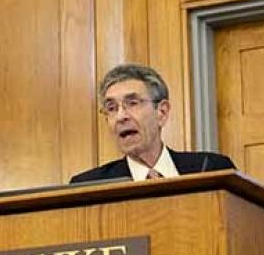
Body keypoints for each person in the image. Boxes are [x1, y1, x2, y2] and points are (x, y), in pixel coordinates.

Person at [70, 64, 235, 183]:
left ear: (162, 112)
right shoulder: (89, 186)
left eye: (133, 103)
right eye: (111, 108)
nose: (121, 116)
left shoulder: (211, 169)